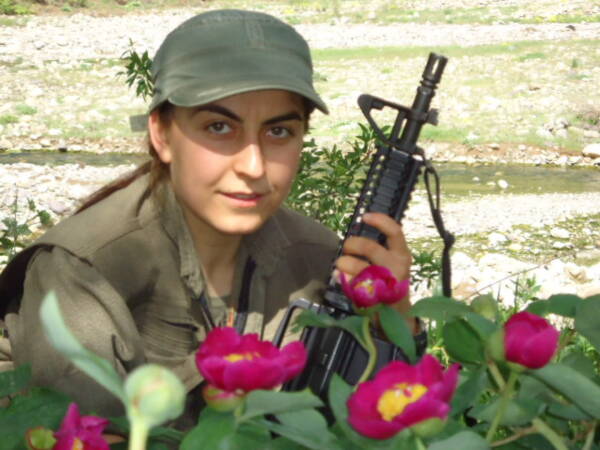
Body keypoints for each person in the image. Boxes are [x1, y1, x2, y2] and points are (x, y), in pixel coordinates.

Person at [0, 9, 418, 427]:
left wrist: (393, 322)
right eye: (219, 127)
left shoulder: (318, 258)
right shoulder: (83, 270)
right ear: (162, 135)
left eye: (278, 132)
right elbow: (88, 434)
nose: (253, 166)